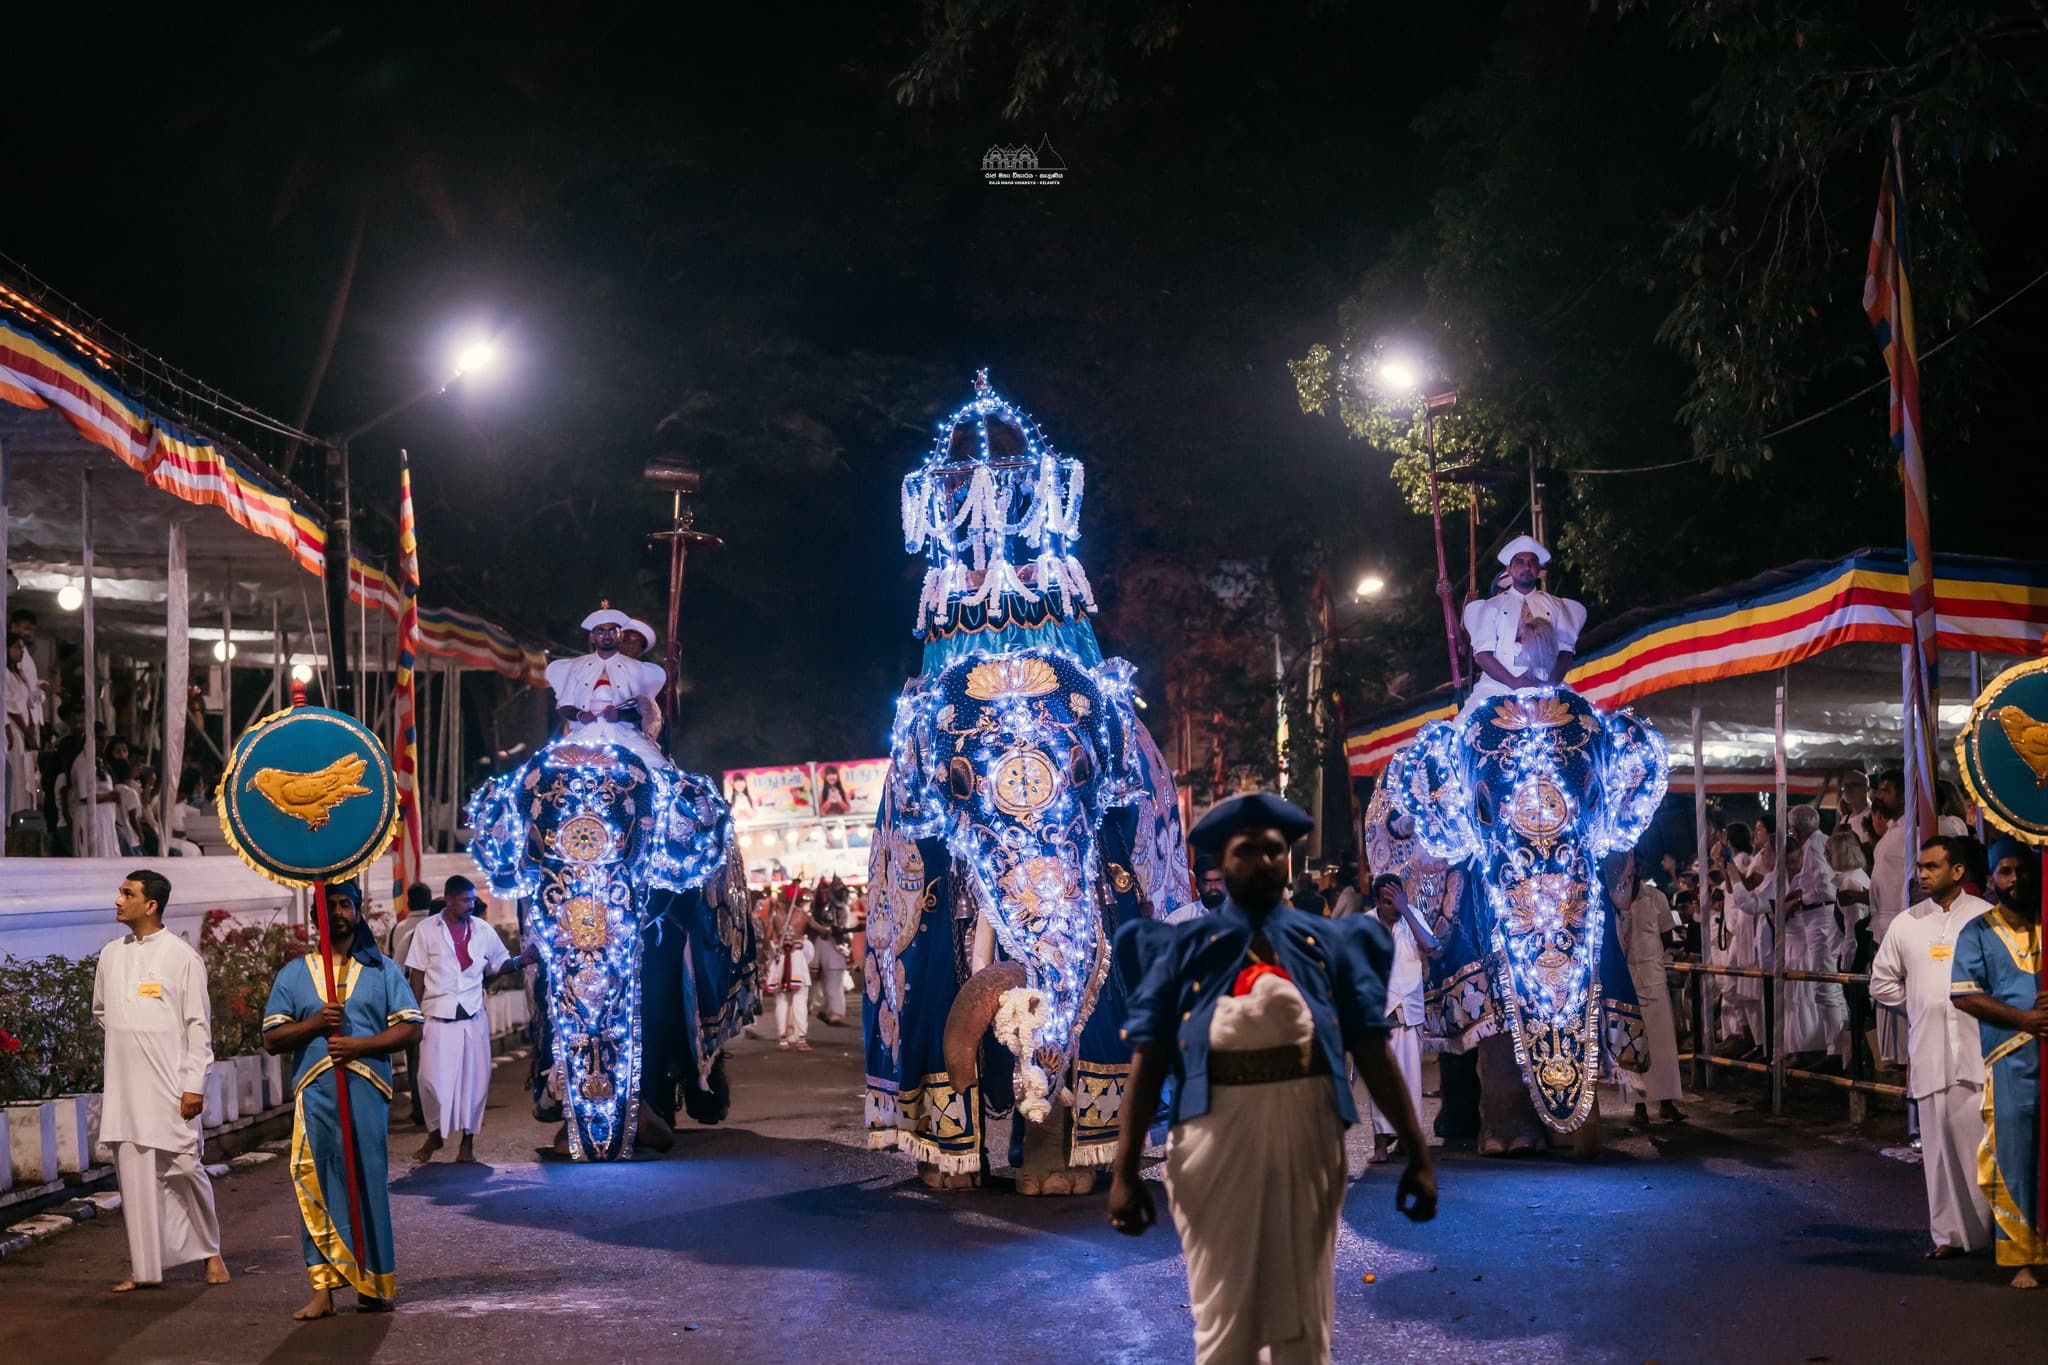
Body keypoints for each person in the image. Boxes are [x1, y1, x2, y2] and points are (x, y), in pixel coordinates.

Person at [1108, 792, 1437, 1364]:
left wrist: (1417, 1152)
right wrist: (1124, 1171)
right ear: (1220, 862)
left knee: (1304, 1314)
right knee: (1223, 1316)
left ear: (1288, 859)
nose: (1261, 861)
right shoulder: (1181, 947)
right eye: (1245, 851)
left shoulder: (1334, 943)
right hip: (1211, 1137)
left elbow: (1372, 1050)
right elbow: (1150, 1060)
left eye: (1274, 850)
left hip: (1308, 1135)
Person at [261, 880, 423, 1319]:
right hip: (315, 1094)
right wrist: (315, 1025)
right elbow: (273, 1037)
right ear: (316, 917)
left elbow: (411, 1027)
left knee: (369, 1183)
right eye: (328, 905)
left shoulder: (382, 970)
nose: (337, 912)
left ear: (356, 911)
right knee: (317, 1182)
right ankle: (323, 1291)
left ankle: (374, 1282)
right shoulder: (295, 973)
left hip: (366, 1090)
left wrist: (360, 1046)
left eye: (344, 904)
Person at [92, 870, 230, 1292]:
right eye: (120, 892)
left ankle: (211, 1253)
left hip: (171, 1086)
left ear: (151, 905)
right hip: (126, 1087)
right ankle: (145, 1268)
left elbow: (197, 1027)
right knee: (133, 1177)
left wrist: (194, 1085)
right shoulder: (110, 955)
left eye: (127, 894)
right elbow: (103, 1011)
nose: (118, 900)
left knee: (186, 1168)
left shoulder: (181, 956)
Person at [1869, 835, 1992, 1259]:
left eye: (1932, 867)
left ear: (1957, 871)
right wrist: (1919, 1004)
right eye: (1920, 867)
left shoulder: (1985, 918)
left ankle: (1993, 1234)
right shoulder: (1907, 922)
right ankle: (1948, 1237)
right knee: (1938, 1156)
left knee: (1981, 1150)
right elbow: (1882, 981)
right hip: (1928, 1051)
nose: (1922, 874)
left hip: (1976, 1052)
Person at [1950, 849, 2047, 1288]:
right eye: (2006, 871)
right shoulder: (1978, 932)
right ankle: (2021, 1257)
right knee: (2014, 1157)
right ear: (1991, 878)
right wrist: (2025, 1019)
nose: (2016, 878)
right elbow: (1964, 995)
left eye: (2023, 870)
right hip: (2010, 1058)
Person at [405, 875, 533, 1162]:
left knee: (474, 1085)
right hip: (437, 1019)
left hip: (473, 1018)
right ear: (449, 899)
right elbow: (417, 976)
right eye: (465, 900)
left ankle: (467, 1145)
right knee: (430, 1081)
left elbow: (499, 964)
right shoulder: (426, 930)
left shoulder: (483, 930)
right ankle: (435, 1135)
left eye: (473, 899)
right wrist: (412, 1017)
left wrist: (522, 960)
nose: (471, 905)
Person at [1459, 534, 1587, 721]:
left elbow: (1565, 654)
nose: (1526, 567)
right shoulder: (1491, 606)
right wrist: (1513, 682)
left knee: (1585, 724)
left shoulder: (1557, 606)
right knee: (1466, 727)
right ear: (1509, 569)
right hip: (1497, 686)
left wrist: (1549, 684)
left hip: (1547, 684)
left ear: (1538, 569)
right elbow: (1482, 655)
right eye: (1519, 562)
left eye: (1532, 563)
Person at [1364, 873, 1440, 1163]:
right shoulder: (1366, 924)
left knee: (1410, 1080)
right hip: (1379, 1013)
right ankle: (1380, 1144)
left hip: (1410, 1011)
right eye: (1388, 901)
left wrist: (1407, 909)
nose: (1393, 906)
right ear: (1376, 902)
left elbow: (1431, 948)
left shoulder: (1412, 916)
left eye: (1397, 899)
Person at [544, 604, 667, 768]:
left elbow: (642, 710)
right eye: (601, 631)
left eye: (612, 631)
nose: (606, 636)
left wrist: (620, 715)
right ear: (593, 637)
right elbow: (564, 706)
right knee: (549, 769)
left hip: (625, 735)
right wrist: (580, 715)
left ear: (619, 636)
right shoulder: (576, 666)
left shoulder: (638, 669)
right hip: (584, 733)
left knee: (658, 768)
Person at [1621, 858, 1686, 1125]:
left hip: (1655, 978)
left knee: (1662, 1044)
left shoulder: (1656, 897)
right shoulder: (1615, 901)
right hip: (1628, 982)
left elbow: (1668, 936)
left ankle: (1667, 1102)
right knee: (1632, 1044)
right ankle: (1639, 1108)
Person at [1785, 804, 1844, 1067]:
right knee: (1826, 983)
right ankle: (1836, 1046)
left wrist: (1803, 897)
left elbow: (1824, 883)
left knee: (1825, 983)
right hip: (1818, 915)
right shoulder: (1817, 843)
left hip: (1820, 916)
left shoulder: (1815, 846)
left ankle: (1836, 1050)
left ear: (1797, 829)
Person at [1868, 770, 1912, 1066]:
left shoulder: (1913, 831)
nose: (1879, 796)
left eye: (1886, 790)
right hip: (1884, 927)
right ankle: (1892, 1060)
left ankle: (1904, 1061)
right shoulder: (1892, 833)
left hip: (1901, 923)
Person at [764, 883, 813, 1050]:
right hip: (796, 959)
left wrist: (766, 958)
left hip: (782, 959)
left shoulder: (775, 915)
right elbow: (819, 929)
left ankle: (784, 1039)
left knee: (783, 1000)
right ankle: (800, 1039)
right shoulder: (803, 915)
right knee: (799, 999)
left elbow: (767, 938)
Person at [806, 877, 851, 1026]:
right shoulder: (826, 908)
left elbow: (840, 930)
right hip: (827, 946)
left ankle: (831, 1012)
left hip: (834, 947)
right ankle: (832, 1013)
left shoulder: (840, 908)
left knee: (832, 984)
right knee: (829, 984)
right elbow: (827, 929)